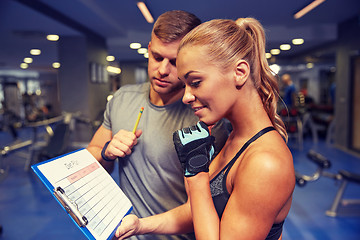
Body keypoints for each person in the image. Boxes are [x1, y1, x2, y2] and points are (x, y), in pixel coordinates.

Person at [114, 18, 295, 240]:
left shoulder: (266, 162)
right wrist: (141, 225)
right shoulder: (237, 138)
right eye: (185, 84)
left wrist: (196, 177)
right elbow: (202, 212)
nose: (187, 96)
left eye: (196, 82)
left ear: (239, 72)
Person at [87, 10, 229, 240]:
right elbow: (91, 158)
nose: (163, 70)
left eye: (174, 62)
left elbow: (202, 208)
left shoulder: (205, 121)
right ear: (149, 47)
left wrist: (142, 225)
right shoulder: (123, 98)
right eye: (156, 56)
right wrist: (107, 152)